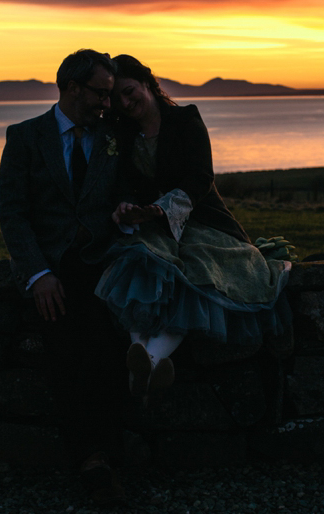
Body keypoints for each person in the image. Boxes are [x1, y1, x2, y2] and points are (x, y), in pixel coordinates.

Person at [96, 54, 292, 399]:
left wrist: (161, 209)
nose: (126, 104)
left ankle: (149, 361)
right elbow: (123, 182)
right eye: (118, 100)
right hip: (151, 227)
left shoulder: (185, 119)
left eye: (130, 92)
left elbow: (201, 178)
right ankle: (146, 361)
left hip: (201, 221)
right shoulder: (122, 132)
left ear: (147, 82)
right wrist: (126, 204)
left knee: (193, 272)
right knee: (143, 263)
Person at [0, 49, 128, 507]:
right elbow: (12, 215)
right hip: (50, 267)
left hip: (101, 262)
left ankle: (100, 457)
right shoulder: (26, 137)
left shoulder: (113, 135)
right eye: (100, 93)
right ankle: (95, 460)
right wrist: (37, 274)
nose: (106, 104)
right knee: (68, 348)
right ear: (72, 88)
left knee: (105, 347)